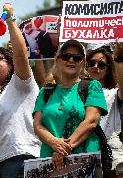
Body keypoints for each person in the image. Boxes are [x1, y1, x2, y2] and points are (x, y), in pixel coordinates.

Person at [0, 3, 40, 178]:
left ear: (10, 64)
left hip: (19, 158)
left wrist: (9, 19)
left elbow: (20, 55)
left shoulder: (21, 82)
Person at [33, 39, 108, 167]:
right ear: (57, 60)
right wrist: (54, 142)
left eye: (77, 57)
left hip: (84, 164)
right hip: (50, 164)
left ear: (83, 63)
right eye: (66, 56)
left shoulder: (92, 86)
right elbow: (37, 125)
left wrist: (63, 150)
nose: (71, 60)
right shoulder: (45, 91)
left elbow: (91, 121)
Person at [85, 43, 123, 178]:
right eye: (92, 63)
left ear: (108, 70)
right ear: (86, 65)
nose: (96, 66)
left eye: (101, 65)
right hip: (84, 153)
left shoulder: (113, 93)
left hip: (111, 152)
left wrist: (119, 57)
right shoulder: (74, 93)